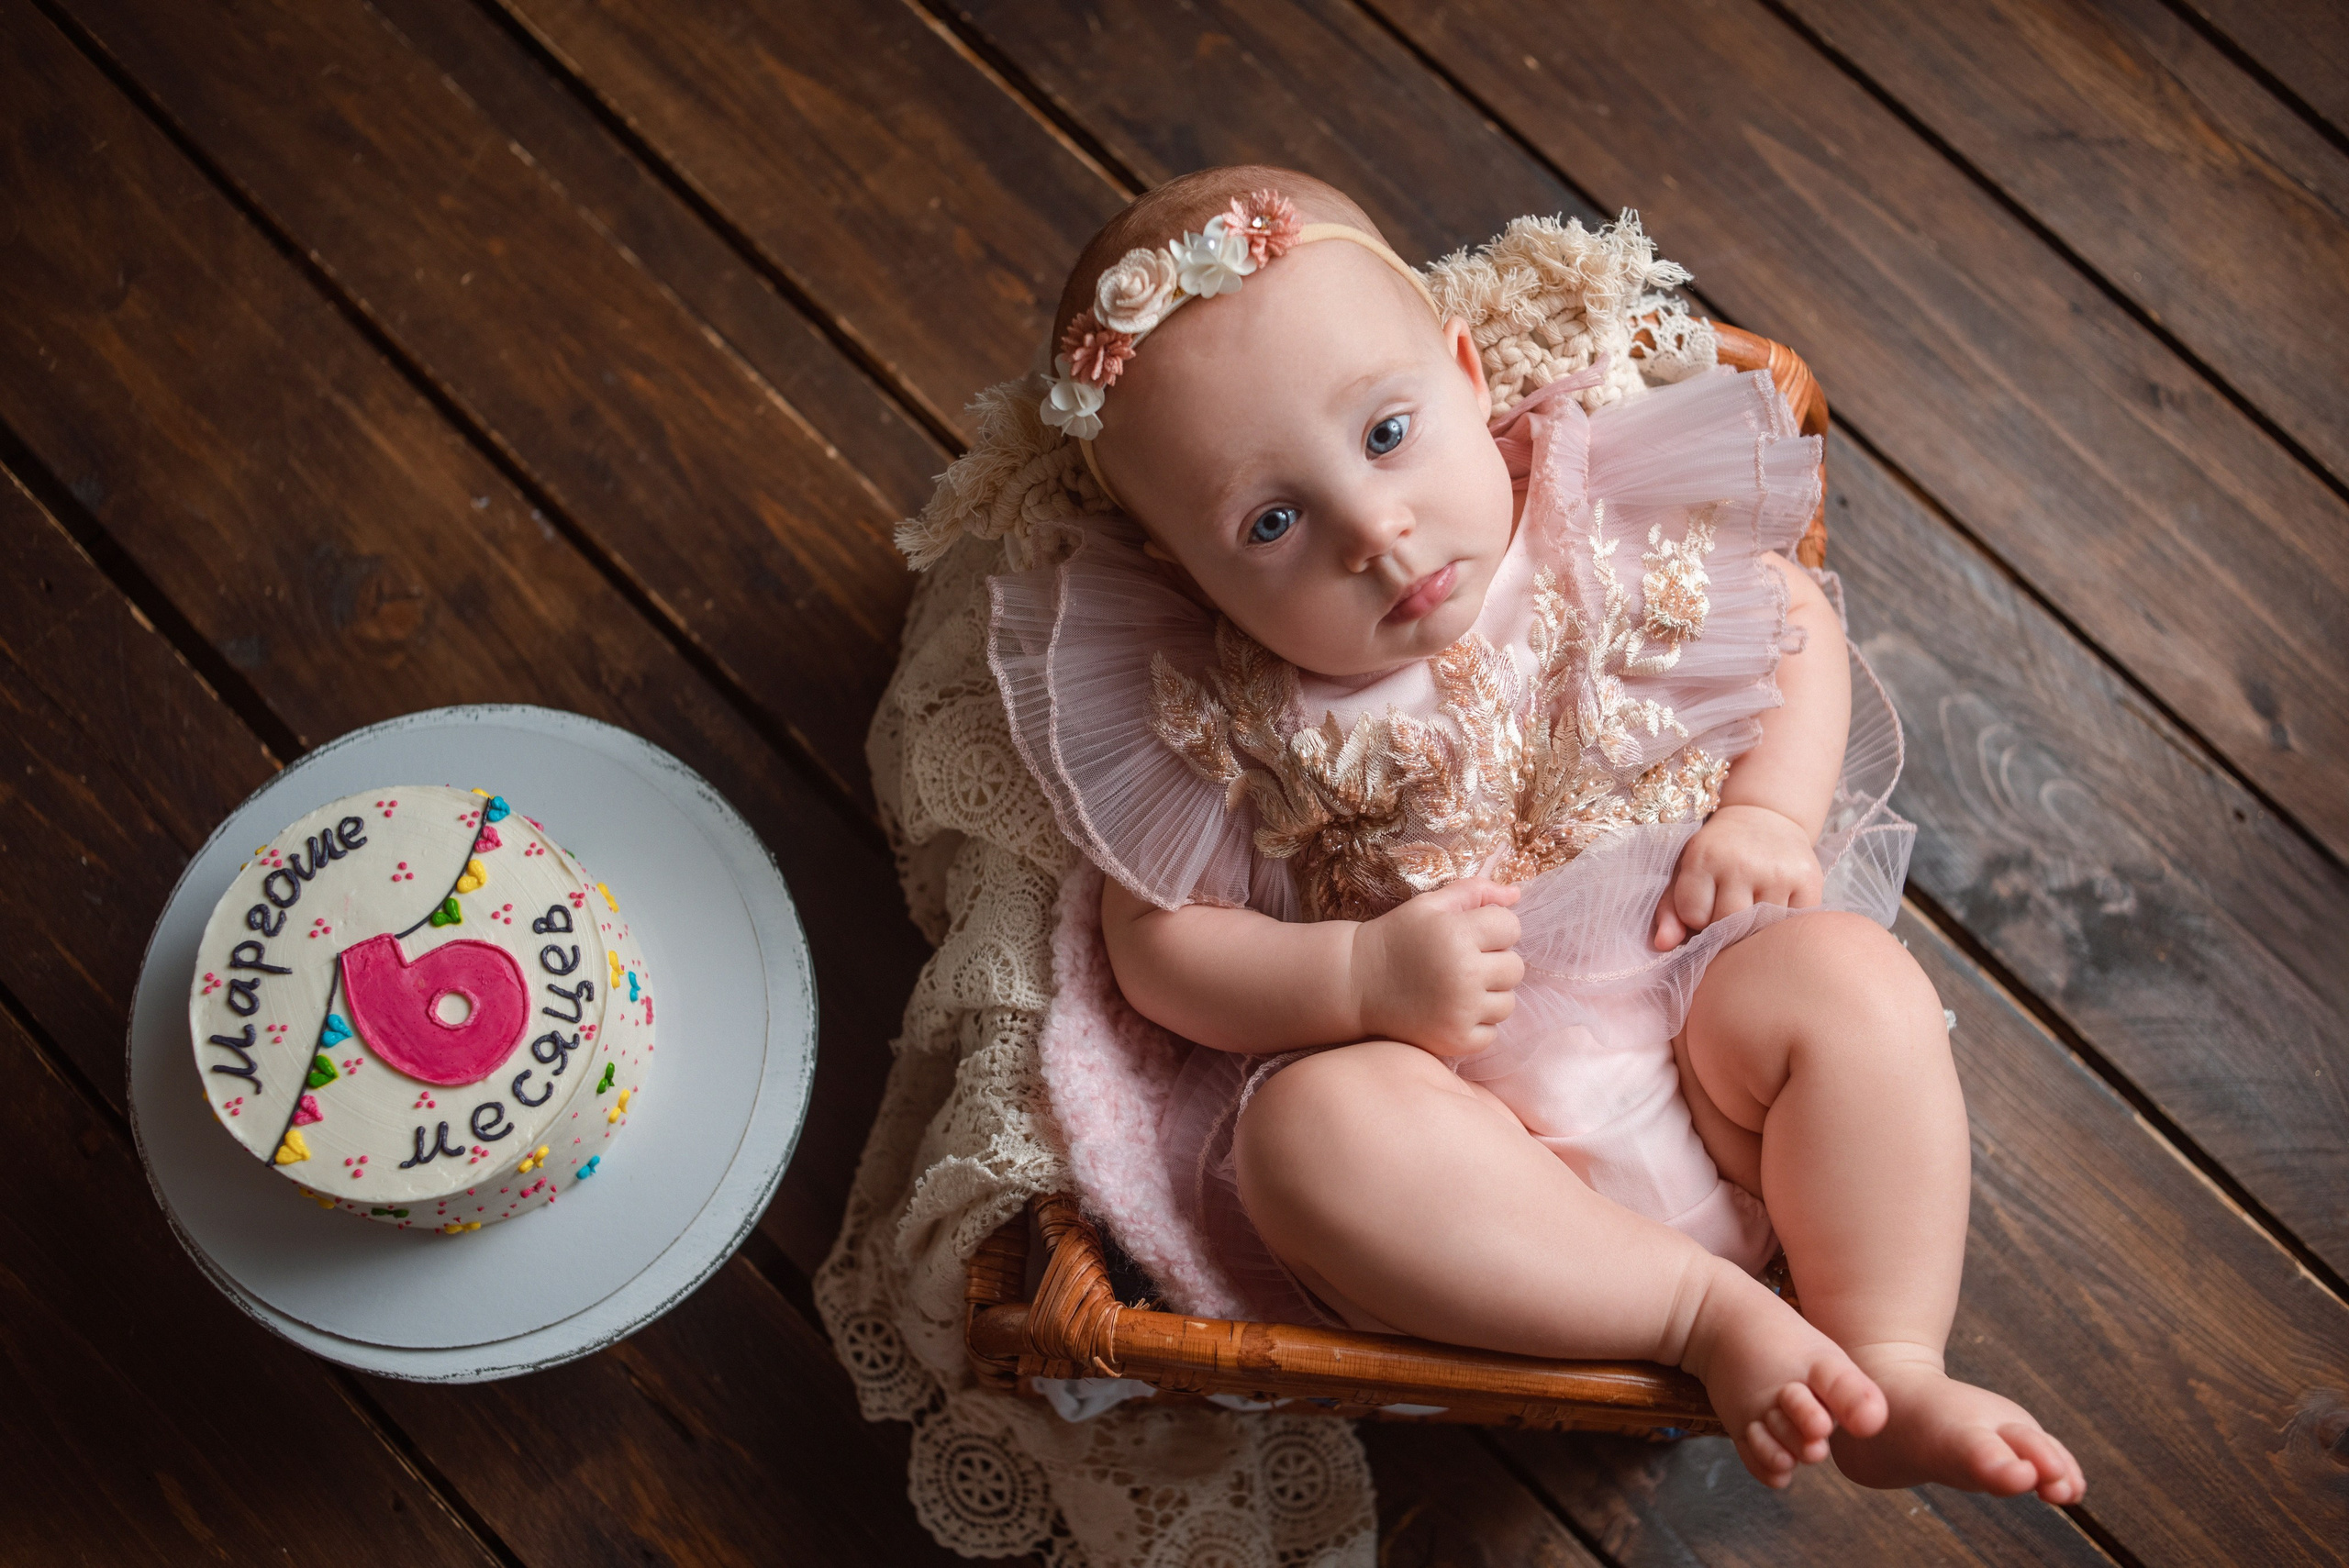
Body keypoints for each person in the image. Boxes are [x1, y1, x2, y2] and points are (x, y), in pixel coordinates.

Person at [986, 164, 2083, 1501]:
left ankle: (1889, 1359)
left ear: (1466, 374)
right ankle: (1706, 1316)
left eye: (1388, 434)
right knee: (1310, 1134)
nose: (1374, 533)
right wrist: (1355, 979)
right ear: (1186, 572)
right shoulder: (1223, 708)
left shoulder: (1592, 516)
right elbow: (1154, 946)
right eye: (1272, 523)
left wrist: (1766, 811)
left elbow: (1793, 623)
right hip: (1481, 1164)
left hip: (1705, 1031)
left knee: (1852, 985)